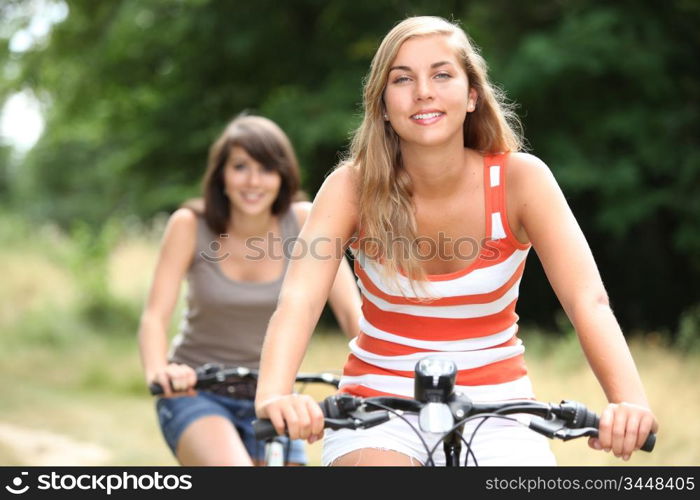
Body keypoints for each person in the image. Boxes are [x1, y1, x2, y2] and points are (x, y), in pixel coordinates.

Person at [254, 16, 658, 466]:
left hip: (499, 406)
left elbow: (588, 302)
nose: (423, 90)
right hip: (377, 405)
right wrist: (274, 395)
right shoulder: (350, 188)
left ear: (471, 95)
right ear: (383, 105)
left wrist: (630, 403)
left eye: (441, 74)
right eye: (402, 79)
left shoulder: (522, 181)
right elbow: (299, 301)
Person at [137, 114, 362, 466]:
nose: (254, 181)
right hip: (198, 390)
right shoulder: (189, 226)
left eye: (267, 169)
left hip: (275, 395)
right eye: (241, 167)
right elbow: (154, 317)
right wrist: (159, 372)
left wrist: (377, 376)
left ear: (282, 176)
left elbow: (352, 313)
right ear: (221, 176)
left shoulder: (303, 221)